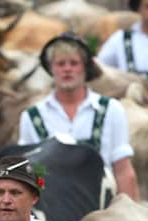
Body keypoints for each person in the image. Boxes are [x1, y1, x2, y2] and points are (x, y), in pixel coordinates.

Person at [18, 33, 140, 200]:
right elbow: (27, 174)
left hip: (103, 206)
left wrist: (129, 212)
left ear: (85, 68)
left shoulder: (111, 110)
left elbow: (123, 170)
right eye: (60, 64)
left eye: (74, 63)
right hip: (51, 206)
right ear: (50, 69)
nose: (67, 69)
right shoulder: (32, 117)